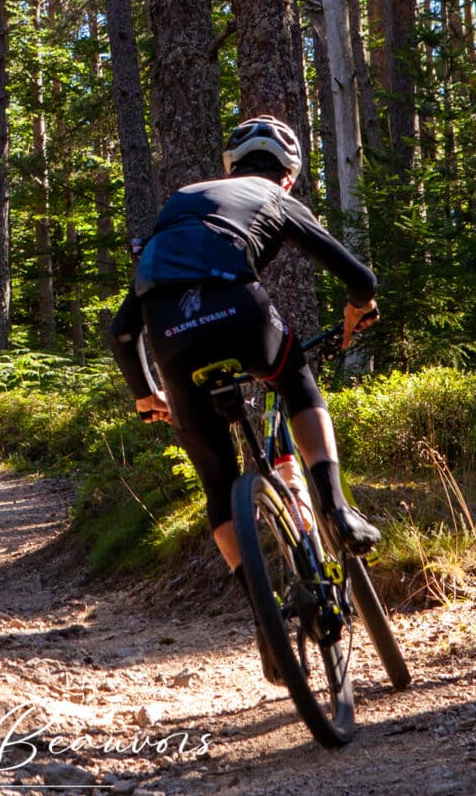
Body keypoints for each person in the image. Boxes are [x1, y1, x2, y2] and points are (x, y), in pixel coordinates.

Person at [109, 116, 380, 683]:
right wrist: (359, 307)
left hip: (171, 339)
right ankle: (333, 507)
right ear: (289, 176)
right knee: (297, 379)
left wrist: (146, 394)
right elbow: (356, 274)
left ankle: (264, 615)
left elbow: (122, 332)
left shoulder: (179, 206)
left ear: (230, 166)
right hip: (241, 314)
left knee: (217, 485)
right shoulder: (271, 196)